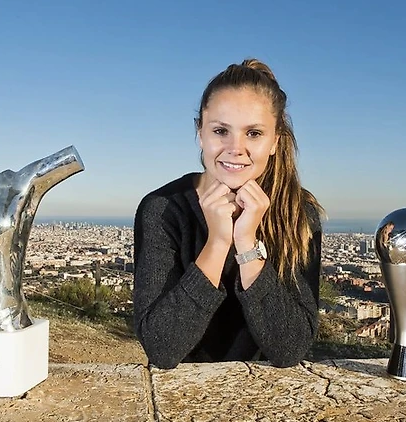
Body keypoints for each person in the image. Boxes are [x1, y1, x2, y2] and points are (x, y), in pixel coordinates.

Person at [133, 58, 324, 369]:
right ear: (200, 133)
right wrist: (218, 243)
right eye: (221, 130)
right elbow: (162, 348)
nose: (236, 148)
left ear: (275, 141)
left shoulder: (297, 214)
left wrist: (246, 244)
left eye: (254, 133)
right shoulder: (163, 209)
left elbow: (290, 348)